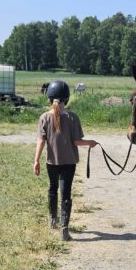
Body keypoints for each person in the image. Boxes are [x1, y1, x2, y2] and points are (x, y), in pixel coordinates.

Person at [33, 80, 97, 241]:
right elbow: (76, 142)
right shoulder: (72, 117)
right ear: (66, 99)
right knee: (66, 193)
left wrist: (36, 161)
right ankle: (64, 229)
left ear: (49, 98)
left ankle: (52, 220)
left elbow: (41, 141)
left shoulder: (43, 118)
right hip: (69, 163)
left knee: (53, 188)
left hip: (51, 162)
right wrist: (90, 143)